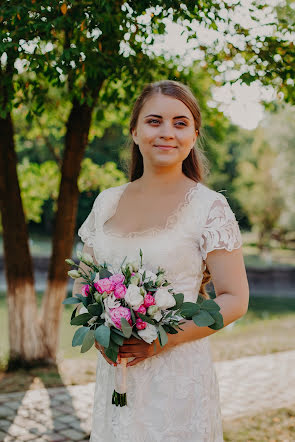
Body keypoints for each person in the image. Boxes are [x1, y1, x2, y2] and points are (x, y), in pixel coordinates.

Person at [75, 79, 249, 441]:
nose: (167, 132)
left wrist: (160, 341)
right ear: (135, 132)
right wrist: (99, 333)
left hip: (177, 381)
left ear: (194, 135)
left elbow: (234, 299)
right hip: (115, 375)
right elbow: (83, 284)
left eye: (180, 123)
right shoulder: (105, 203)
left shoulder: (209, 207)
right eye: (154, 121)